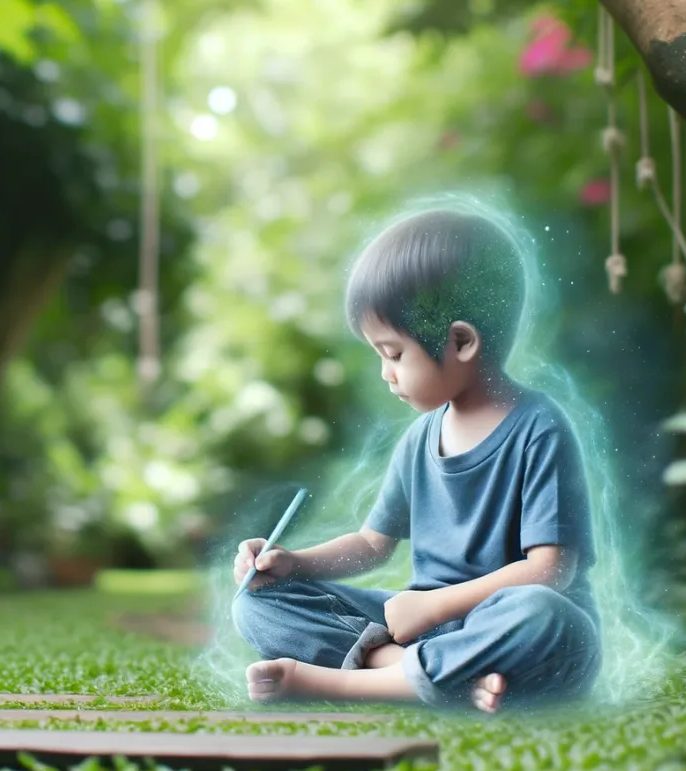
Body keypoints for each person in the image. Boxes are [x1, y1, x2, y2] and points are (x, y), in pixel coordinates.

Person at [231, 208, 601, 713]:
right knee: (258, 605)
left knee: (541, 616)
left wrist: (433, 606)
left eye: (394, 353)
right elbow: (371, 545)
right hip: (424, 625)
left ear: (462, 341)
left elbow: (550, 570)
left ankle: (344, 683)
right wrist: (294, 564)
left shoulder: (539, 428)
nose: (386, 374)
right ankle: (436, 677)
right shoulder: (419, 438)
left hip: (503, 619)